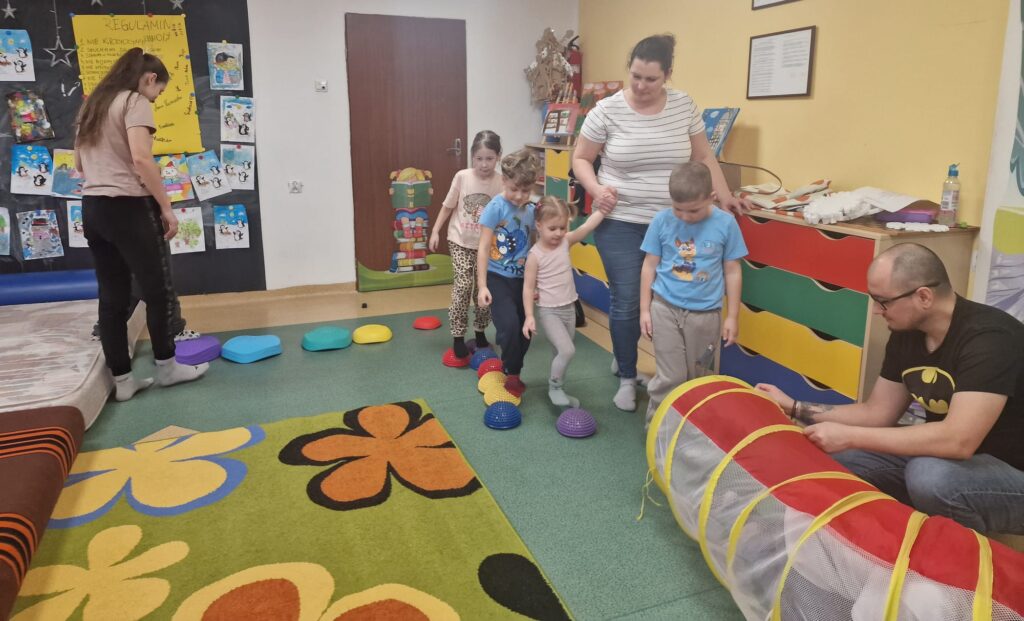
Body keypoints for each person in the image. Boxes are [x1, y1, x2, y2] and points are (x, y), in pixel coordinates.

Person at [756, 243, 1024, 534]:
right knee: (839, 455)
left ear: (923, 296)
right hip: (956, 461)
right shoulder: (907, 331)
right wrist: (795, 406)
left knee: (930, 477)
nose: (875, 311)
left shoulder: (990, 338)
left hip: (1010, 470)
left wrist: (849, 435)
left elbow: (958, 440)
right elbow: (876, 413)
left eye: (882, 301)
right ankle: (888, 539)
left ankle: (970, 559)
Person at [572, 34, 753, 412]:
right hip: (622, 221)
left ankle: (669, 372)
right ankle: (627, 374)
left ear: (667, 75)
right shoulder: (607, 110)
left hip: (678, 224)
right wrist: (596, 188)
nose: (641, 86)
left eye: (651, 79)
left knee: (666, 303)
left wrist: (725, 196)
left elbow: (703, 156)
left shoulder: (683, 105)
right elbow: (581, 158)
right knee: (626, 300)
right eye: (636, 76)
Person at [75, 47, 208, 401]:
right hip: (128, 207)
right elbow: (141, 158)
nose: (155, 98)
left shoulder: (93, 105)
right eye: (158, 92)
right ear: (150, 78)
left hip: (92, 208)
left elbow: (79, 165)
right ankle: (168, 368)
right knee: (157, 291)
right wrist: (166, 208)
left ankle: (123, 382)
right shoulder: (134, 101)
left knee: (112, 297)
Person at [640, 162, 746, 427]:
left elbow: (733, 271)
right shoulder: (661, 220)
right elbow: (649, 266)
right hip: (664, 309)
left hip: (706, 315)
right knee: (670, 376)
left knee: (698, 377)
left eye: (693, 210)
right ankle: (657, 428)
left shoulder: (726, 224)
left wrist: (732, 316)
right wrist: (644, 309)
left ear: (712, 197)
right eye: (678, 209)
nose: (685, 217)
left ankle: (690, 429)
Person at [522, 196, 609, 408]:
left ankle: (560, 388)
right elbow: (528, 288)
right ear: (539, 225)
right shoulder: (535, 255)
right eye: (552, 229)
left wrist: (603, 210)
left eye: (562, 228)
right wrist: (529, 316)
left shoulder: (565, 242)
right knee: (567, 350)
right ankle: (555, 387)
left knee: (559, 353)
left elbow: (587, 227)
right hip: (549, 312)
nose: (558, 233)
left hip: (569, 309)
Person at [430, 130, 503, 363]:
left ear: (498, 157)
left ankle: (480, 331)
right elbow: (448, 205)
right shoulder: (462, 176)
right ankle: (458, 336)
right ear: (472, 157)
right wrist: (435, 230)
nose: (484, 164)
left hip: (486, 245)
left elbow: (504, 214)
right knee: (463, 286)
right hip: (460, 240)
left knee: (482, 290)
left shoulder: (501, 182)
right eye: (479, 158)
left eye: (489, 158)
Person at [477, 149, 542, 398]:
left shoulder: (531, 209)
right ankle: (511, 371)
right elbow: (483, 247)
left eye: (526, 191)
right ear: (504, 180)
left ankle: (514, 369)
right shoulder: (495, 207)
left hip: (523, 280)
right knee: (509, 325)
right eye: (515, 189)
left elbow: (534, 245)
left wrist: (537, 282)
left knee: (526, 328)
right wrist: (482, 285)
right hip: (497, 278)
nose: (520, 196)